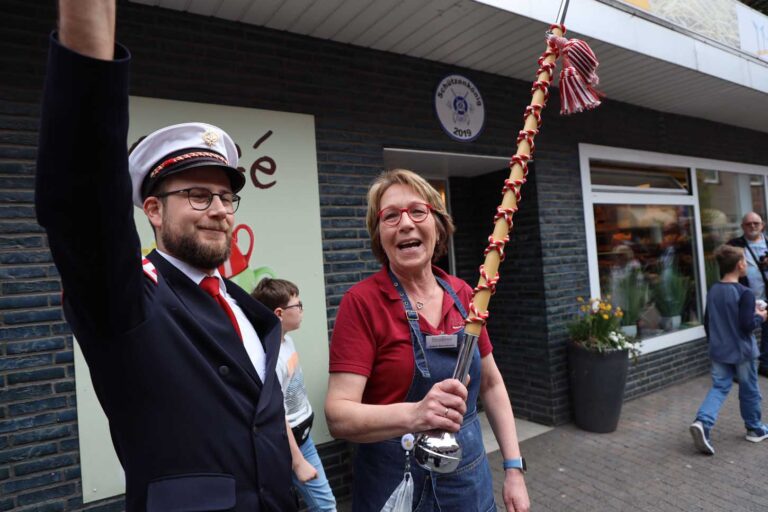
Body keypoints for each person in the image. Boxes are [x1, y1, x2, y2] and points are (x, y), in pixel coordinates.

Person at [35, 2, 295, 510]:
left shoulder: (242, 306)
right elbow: (83, 202)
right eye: (198, 196)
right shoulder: (131, 297)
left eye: (225, 198)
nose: (219, 210)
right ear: (152, 210)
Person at [325, 169, 530, 512]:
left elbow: (492, 386)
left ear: (437, 224)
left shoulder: (466, 294)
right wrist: (416, 414)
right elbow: (338, 415)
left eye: (417, 211)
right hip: (395, 487)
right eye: (390, 216)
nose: (405, 223)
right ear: (380, 235)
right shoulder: (362, 302)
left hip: (469, 484)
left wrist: (513, 468)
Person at [252, 278, 338, 512]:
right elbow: (277, 413)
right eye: (297, 305)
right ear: (279, 313)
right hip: (290, 446)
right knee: (325, 506)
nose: (301, 311)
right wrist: (298, 462)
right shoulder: (269, 358)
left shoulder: (287, 341)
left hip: (303, 438)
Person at [689, 245, 768, 455]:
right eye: (745, 262)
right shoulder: (745, 293)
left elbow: (708, 322)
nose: (747, 265)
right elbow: (746, 325)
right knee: (749, 389)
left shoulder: (713, 290)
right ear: (739, 265)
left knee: (720, 386)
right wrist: (760, 316)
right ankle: (754, 428)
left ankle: (702, 422)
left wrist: (714, 342)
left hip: (719, 349)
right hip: (742, 351)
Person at [728, 212, 768, 377]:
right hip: (745, 296)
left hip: (766, 296)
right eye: (748, 224)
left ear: (762, 225)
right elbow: (725, 266)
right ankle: (739, 369)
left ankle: (765, 364)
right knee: (742, 331)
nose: (752, 226)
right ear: (742, 227)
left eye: (756, 223)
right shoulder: (735, 245)